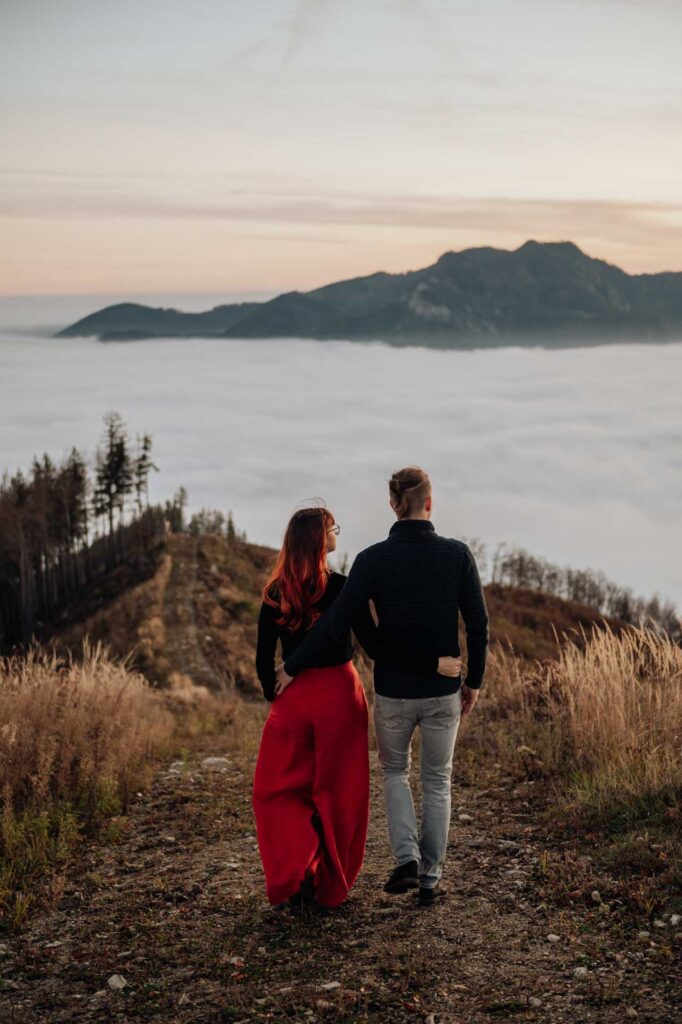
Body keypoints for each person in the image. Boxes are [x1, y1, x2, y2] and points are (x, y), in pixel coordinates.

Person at [275, 467, 489, 907]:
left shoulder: (371, 560)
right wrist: (475, 681)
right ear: (429, 503)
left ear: (393, 506)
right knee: (437, 780)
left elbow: (335, 621)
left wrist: (292, 666)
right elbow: (478, 623)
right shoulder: (457, 555)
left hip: (392, 691)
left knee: (395, 772)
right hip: (443, 689)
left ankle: (406, 858)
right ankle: (429, 878)